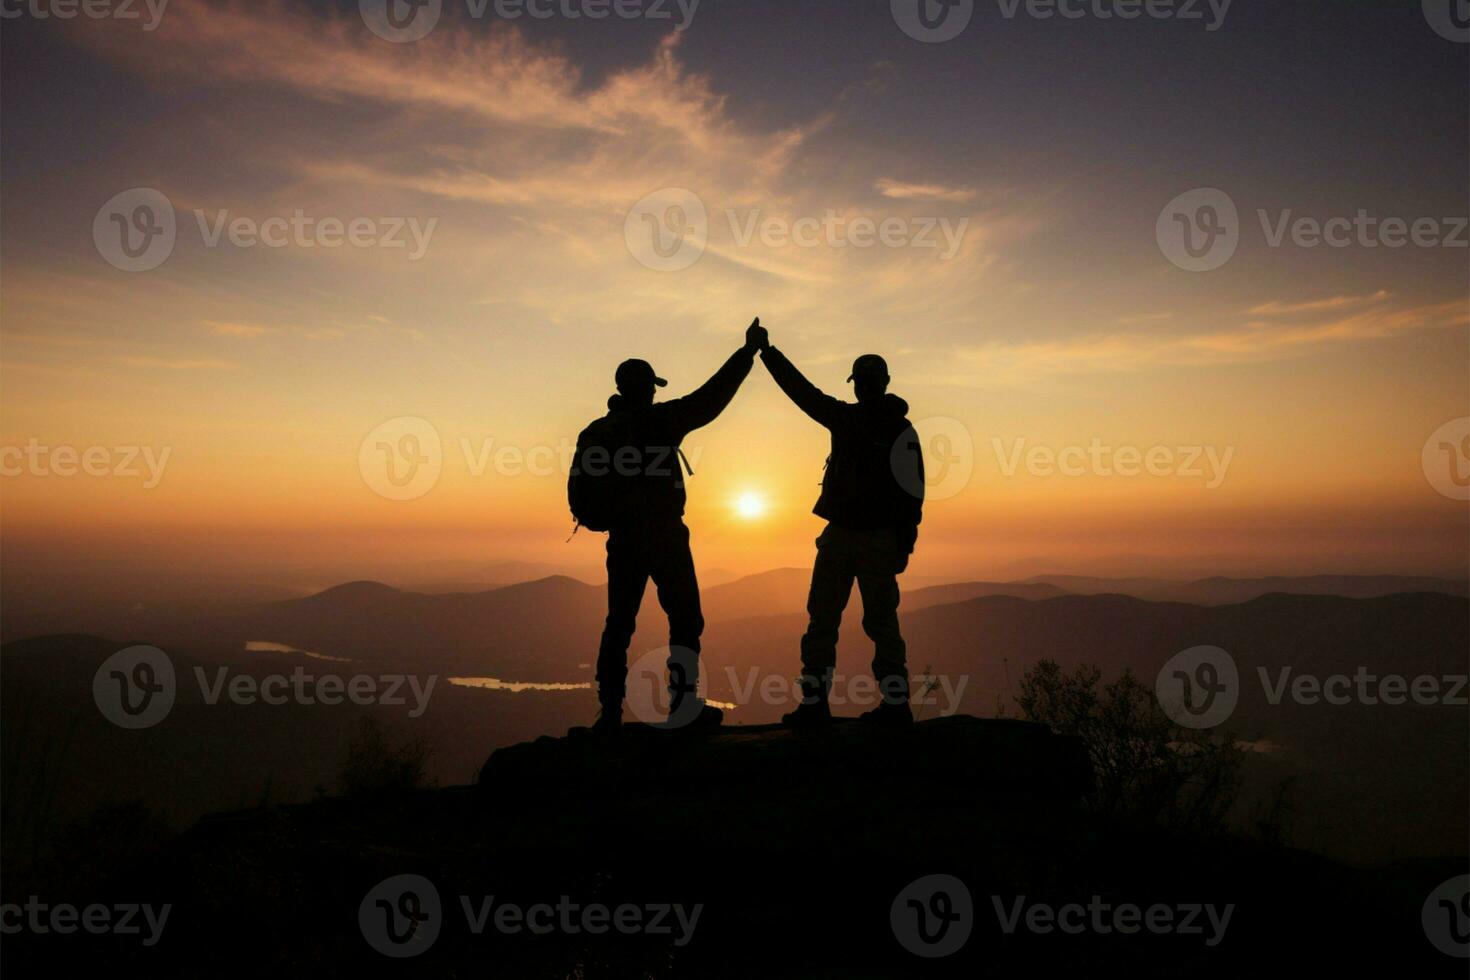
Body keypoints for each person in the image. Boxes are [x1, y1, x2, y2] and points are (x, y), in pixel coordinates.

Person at [574, 319, 768, 734]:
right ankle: (683, 707)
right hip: (664, 535)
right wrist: (747, 352)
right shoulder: (663, 421)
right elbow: (712, 396)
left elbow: (581, 491)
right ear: (647, 388)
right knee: (685, 618)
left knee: (619, 623)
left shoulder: (596, 433)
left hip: (623, 539)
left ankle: (609, 714)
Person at [757, 338, 924, 726]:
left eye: (860, 382)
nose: (860, 388)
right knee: (880, 622)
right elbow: (913, 494)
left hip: (844, 537)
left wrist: (767, 353)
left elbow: (802, 393)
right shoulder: (903, 430)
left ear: (862, 384)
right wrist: (904, 545)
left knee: (823, 620)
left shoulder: (846, 419)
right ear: (884, 381)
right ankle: (895, 705)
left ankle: (815, 704)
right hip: (881, 539)